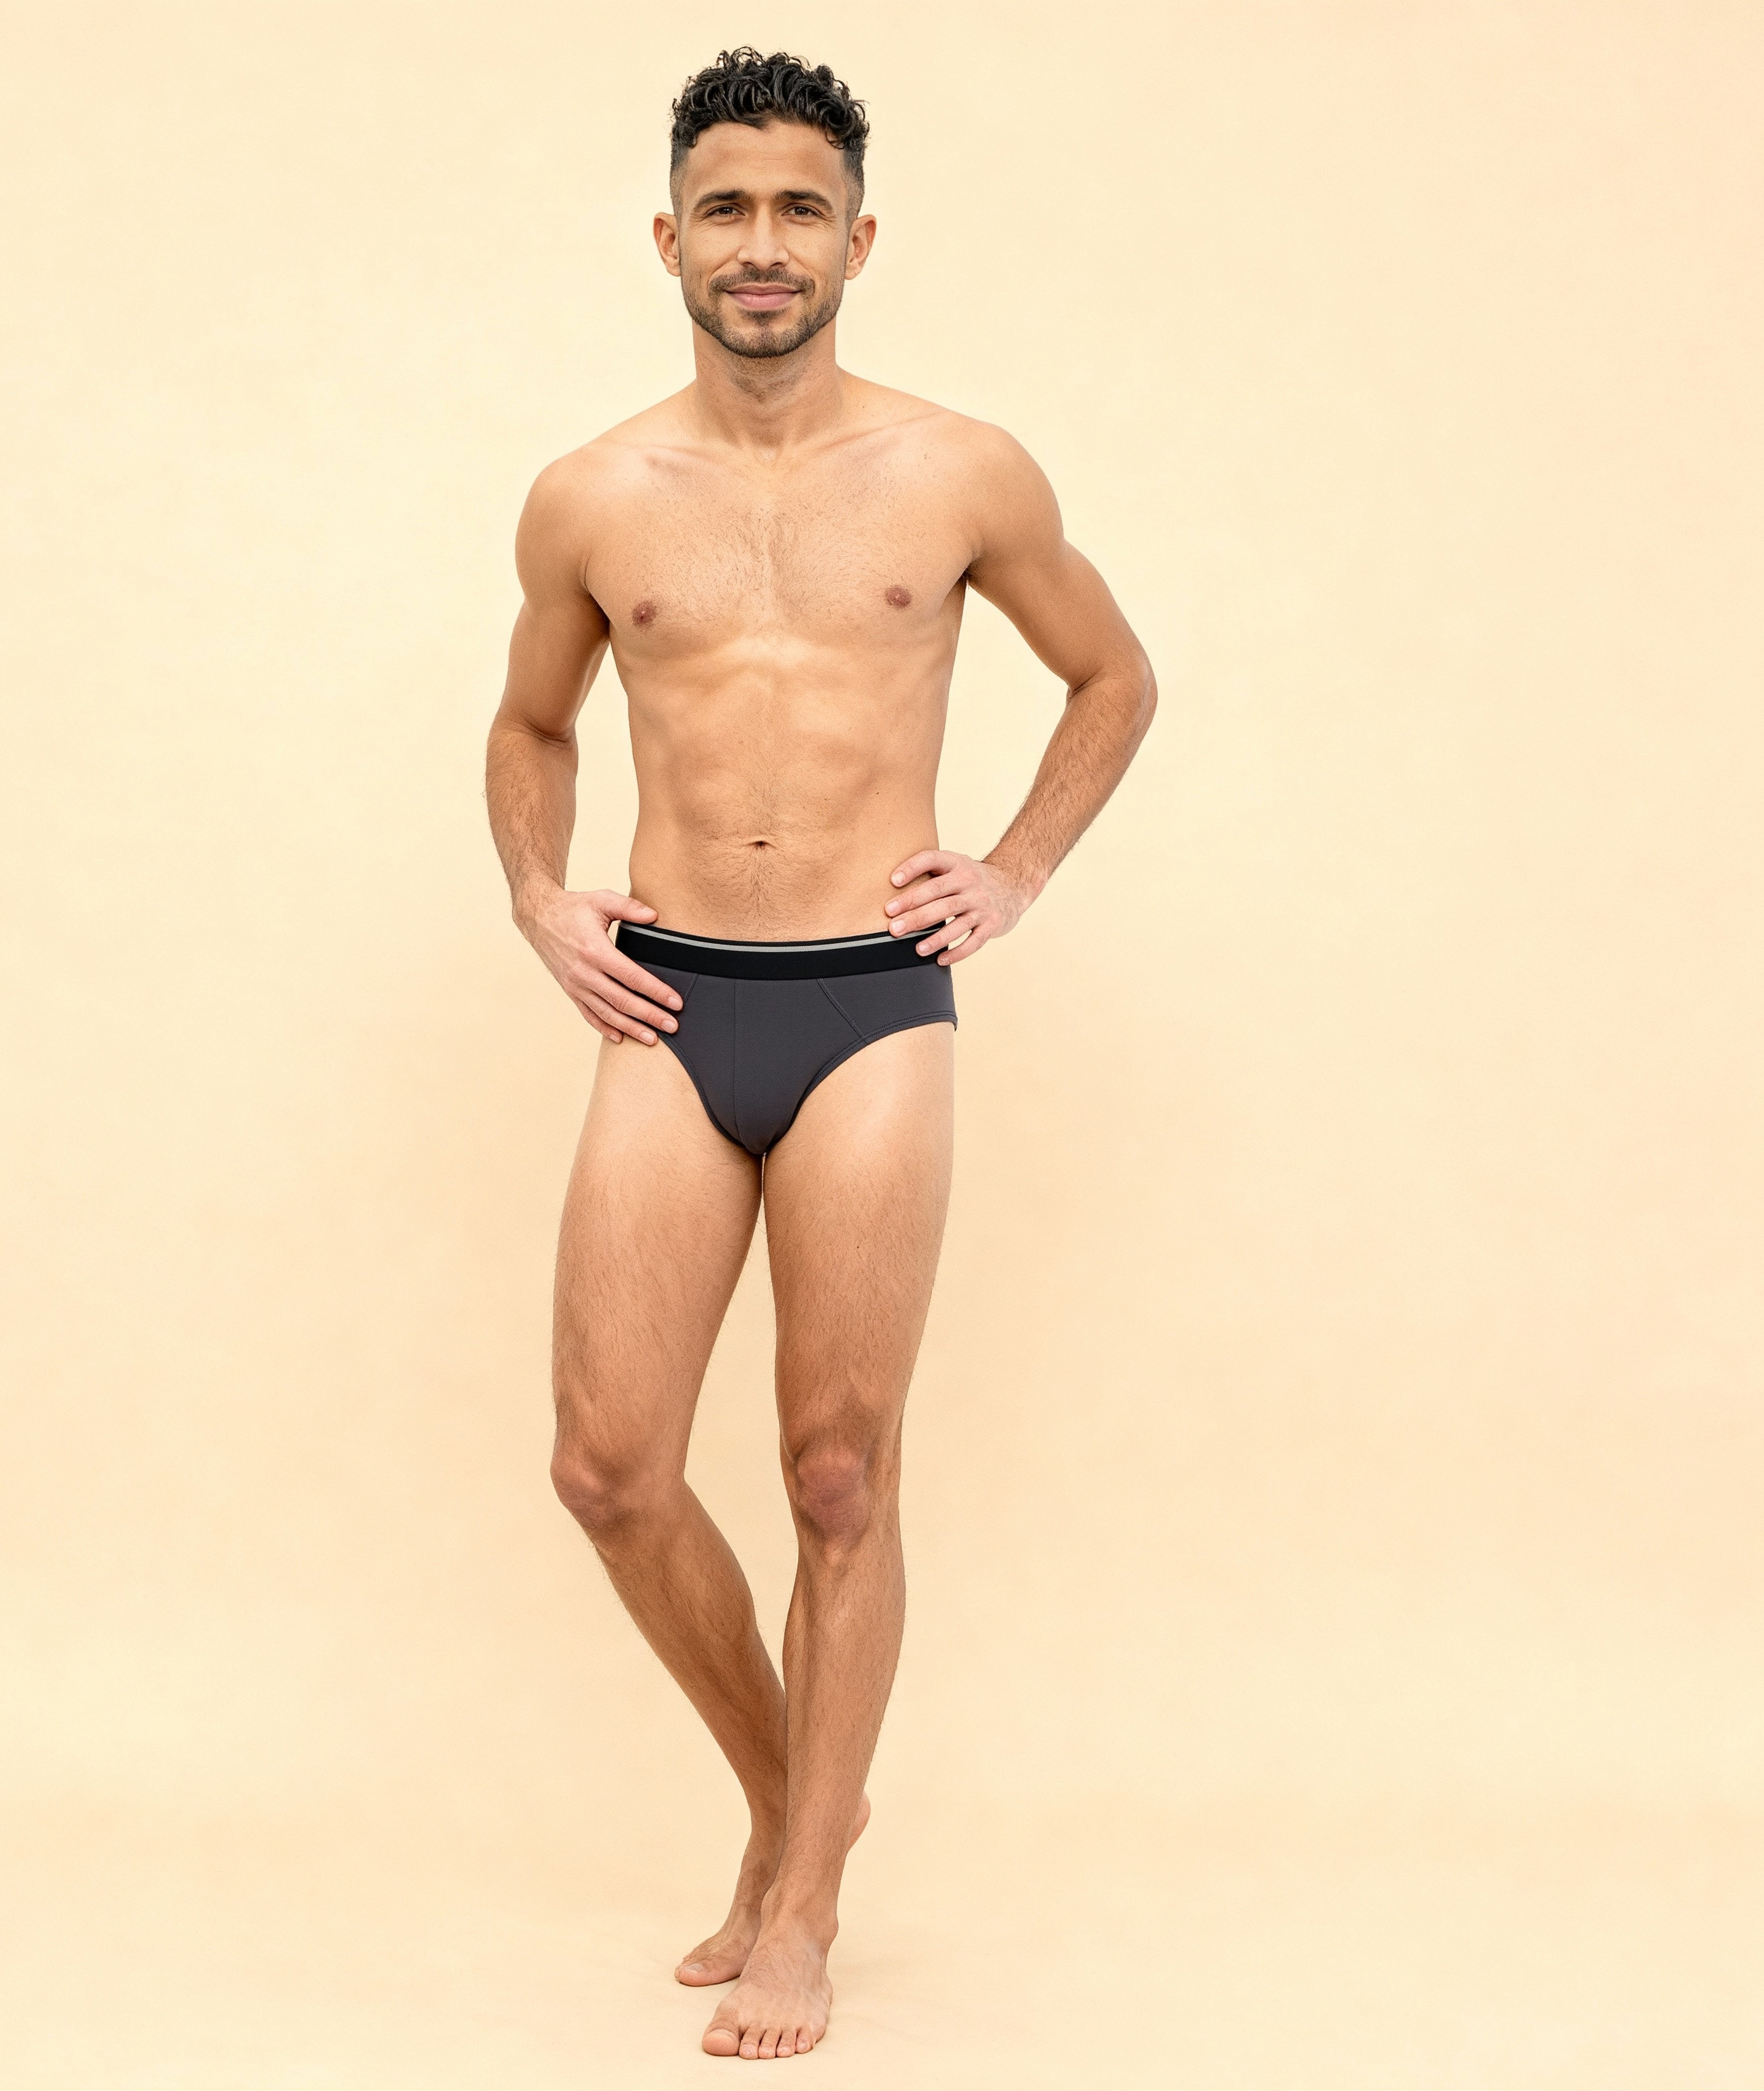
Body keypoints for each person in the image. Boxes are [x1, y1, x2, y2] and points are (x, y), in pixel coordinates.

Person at [483, 47, 1156, 2062]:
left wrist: (1014, 871)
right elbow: (532, 724)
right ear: (668, 238)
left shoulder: (961, 473)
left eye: (799, 210)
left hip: (868, 997)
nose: (760, 244)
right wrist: (537, 893)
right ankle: (801, 1802)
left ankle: (801, 1909)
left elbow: (1113, 675)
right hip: (675, 997)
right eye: (727, 208)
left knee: (838, 1473)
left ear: (858, 240)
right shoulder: (592, 496)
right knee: (609, 1466)